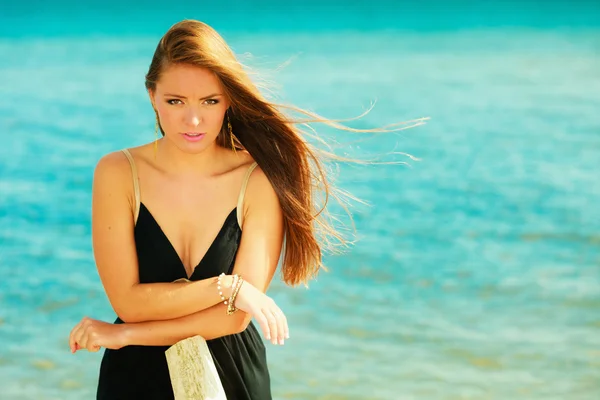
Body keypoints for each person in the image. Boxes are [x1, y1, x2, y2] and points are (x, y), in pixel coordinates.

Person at [68, 18, 422, 400]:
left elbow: (234, 318)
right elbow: (130, 303)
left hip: (230, 377)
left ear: (228, 100)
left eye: (209, 101)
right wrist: (228, 286)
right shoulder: (119, 173)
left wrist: (125, 334)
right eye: (175, 101)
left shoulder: (256, 180)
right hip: (134, 380)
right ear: (152, 95)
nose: (193, 120)